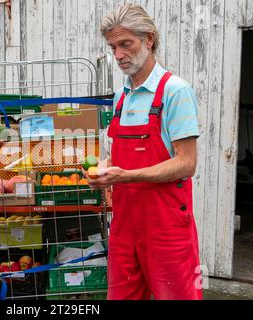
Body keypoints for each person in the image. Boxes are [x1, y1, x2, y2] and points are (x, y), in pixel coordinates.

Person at [86, 4, 203, 300]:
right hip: (125, 226)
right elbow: (120, 157)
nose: (118, 55)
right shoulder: (121, 97)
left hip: (166, 229)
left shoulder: (175, 92)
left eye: (126, 44)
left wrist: (126, 176)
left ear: (149, 39)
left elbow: (187, 163)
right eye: (113, 47)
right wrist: (105, 168)